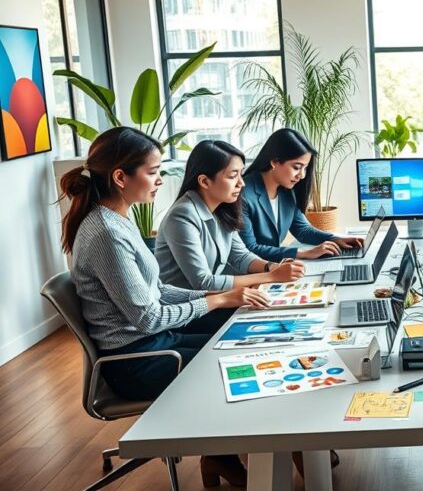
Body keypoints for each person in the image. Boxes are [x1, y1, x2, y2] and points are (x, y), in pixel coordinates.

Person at [59, 127, 270, 486]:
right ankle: (233, 457)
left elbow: (157, 290)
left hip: (154, 343)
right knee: (233, 361)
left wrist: (218, 298)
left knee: (236, 341)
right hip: (135, 361)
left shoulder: (117, 219)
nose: (160, 180)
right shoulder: (107, 233)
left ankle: (221, 456)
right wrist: (215, 299)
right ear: (120, 178)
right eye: (153, 172)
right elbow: (148, 317)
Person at [156, 140, 305, 291]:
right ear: (205, 181)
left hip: (217, 298)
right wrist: (271, 276)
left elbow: (241, 256)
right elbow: (203, 282)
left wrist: (272, 266)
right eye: (233, 176)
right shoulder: (182, 216)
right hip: (189, 304)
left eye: (241, 174)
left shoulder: (222, 208)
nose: (241, 183)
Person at [239, 128, 362, 262]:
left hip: (274, 266)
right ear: (274, 162)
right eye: (297, 167)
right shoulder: (242, 194)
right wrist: (303, 253)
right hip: (251, 270)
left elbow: (303, 230)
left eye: (305, 168)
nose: (302, 175)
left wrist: (336, 239)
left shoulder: (287, 190)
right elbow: (250, 249)